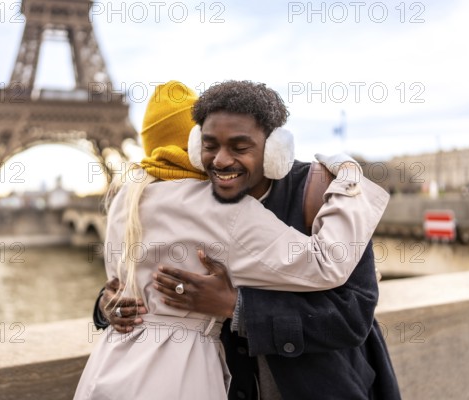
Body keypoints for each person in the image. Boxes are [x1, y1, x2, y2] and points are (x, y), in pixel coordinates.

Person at [81, 80, 392, 400]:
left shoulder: (322, 193)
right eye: (210, 145)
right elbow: (143, 276)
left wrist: (236, 307)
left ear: (275, 149)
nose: (221, 160)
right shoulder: (196, 205)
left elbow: (352, 316)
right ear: (193, 148)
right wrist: (108, 305)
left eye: (240, 147)